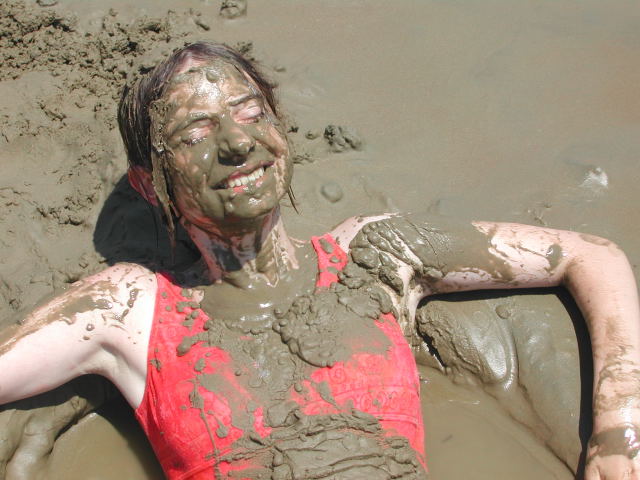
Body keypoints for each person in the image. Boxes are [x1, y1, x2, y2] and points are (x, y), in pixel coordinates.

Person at [0, 41, 638, 480]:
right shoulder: (131, 309)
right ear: (150, 183)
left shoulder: (374, 254)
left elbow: (591, 257)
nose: (238, 142)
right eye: (195, 134)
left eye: (252, 114)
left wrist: (617, 431)